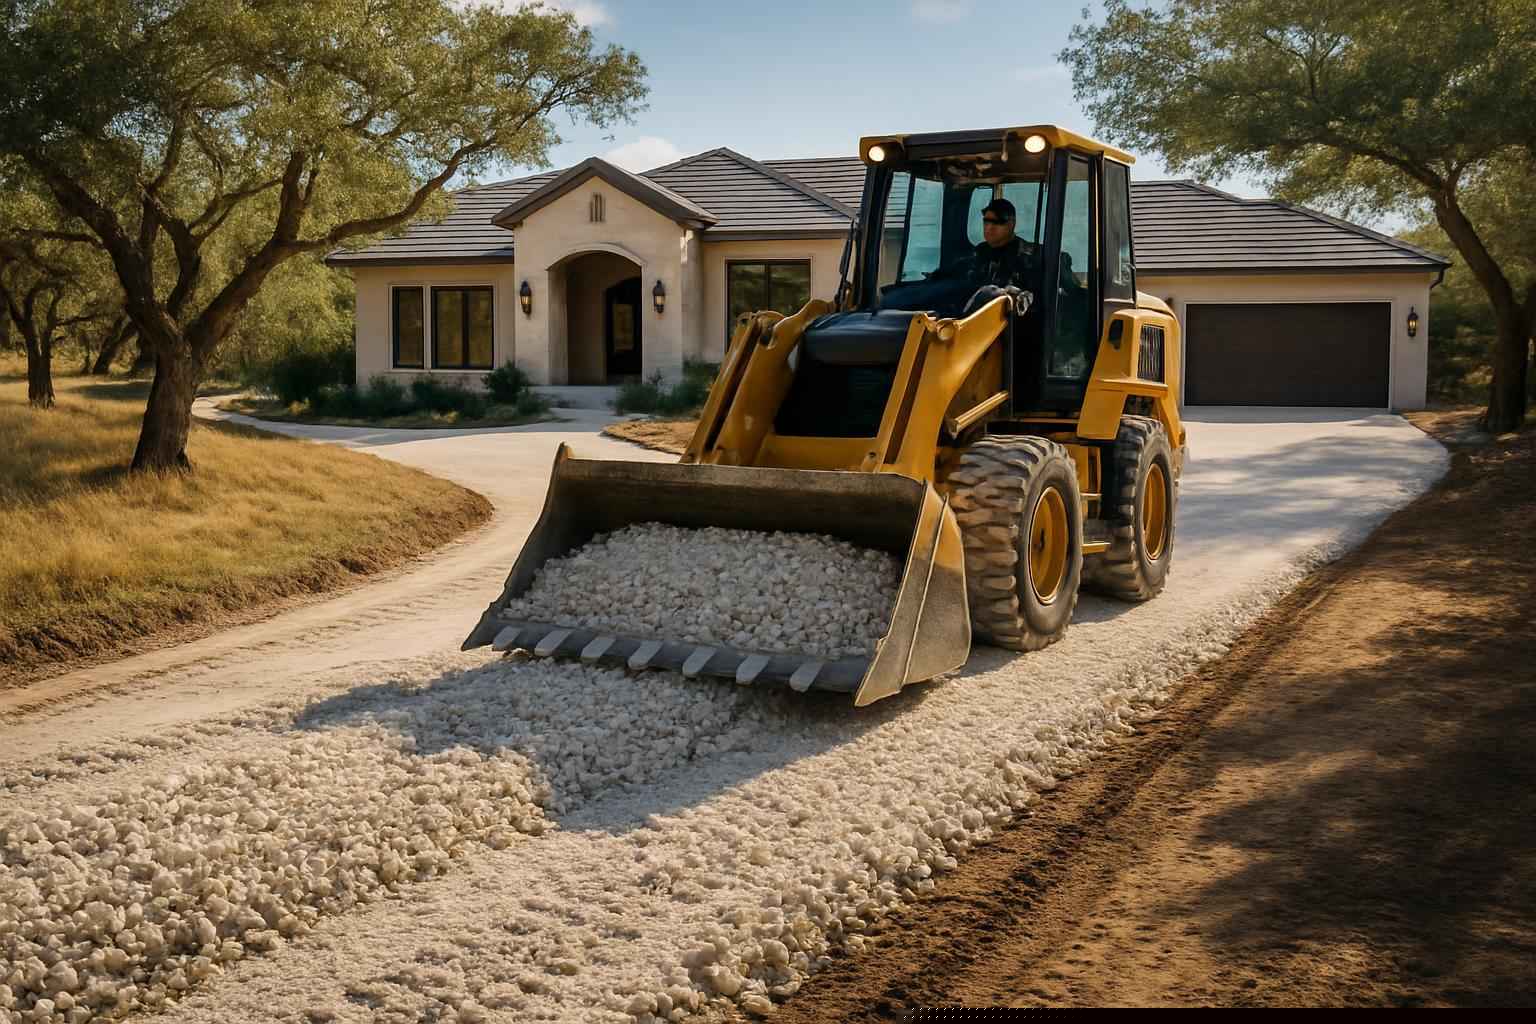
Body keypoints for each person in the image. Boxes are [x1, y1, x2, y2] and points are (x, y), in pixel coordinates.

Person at [966, 197, 1040, 290]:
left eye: (996, 222)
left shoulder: (1027, 258)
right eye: (986, 222)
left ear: (1011, 224)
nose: (988, 228)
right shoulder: (979, 251)